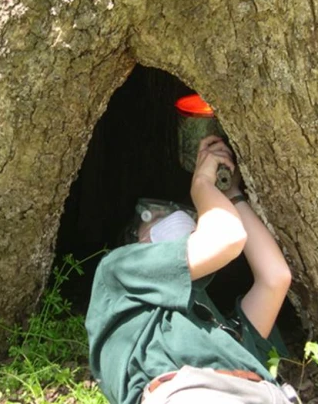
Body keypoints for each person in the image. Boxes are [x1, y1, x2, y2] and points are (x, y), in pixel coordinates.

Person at [86, 135, 296, 404]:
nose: (176, 218)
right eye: (156, 216)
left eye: (188, 216)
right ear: (135, 241)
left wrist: (230, 193)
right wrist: (201, 185)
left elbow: (275, 278)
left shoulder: (220, 327)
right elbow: (227, 238)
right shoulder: (120, 272)